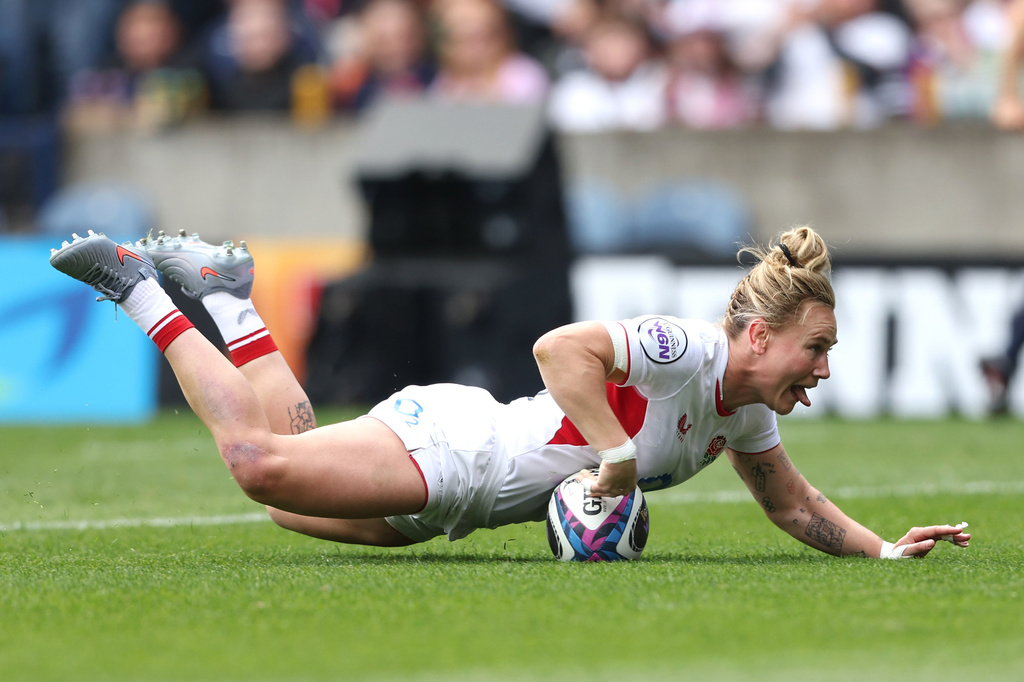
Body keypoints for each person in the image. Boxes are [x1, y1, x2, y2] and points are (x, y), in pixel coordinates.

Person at [48, 225, 971, 558]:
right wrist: (616, 456)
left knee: (289, 500)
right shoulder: (684, 348)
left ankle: (228, 302)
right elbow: (557, 348)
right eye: (816, 348)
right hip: (464, 450)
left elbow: (796, 506)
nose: (823, 368)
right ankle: (139, 288)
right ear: (760, 336)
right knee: (258, 466)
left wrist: (884, 551)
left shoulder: (749, 409)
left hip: (463, 502)